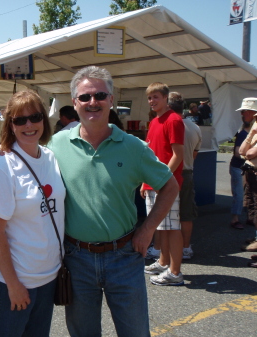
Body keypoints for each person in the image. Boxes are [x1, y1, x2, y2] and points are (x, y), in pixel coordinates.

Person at [47, 66, 179, 337]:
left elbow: (169, 186)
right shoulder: (55, 146)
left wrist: (148, 229)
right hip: (76, 259)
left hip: (125, 256)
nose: (92, 102)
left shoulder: (133, 147)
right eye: (84, 97)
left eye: (99, 95)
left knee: (134, 332)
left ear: (110, 100)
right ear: (74, 103)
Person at [0, 91, 65, 336]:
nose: (29, 125)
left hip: (48, 276)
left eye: (35, 117)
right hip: (17, 280)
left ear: (43, 120)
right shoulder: (4, 166)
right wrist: (13, 284)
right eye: (20, 120)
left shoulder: (50, 157)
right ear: (10, 125)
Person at [141, 82, 185, 286]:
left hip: (167, 184)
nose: (152, 101)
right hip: (154, 183)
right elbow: (150, 155)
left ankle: (175, 272)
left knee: (172, 227)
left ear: (166, 98)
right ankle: (163, 261)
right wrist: (145, 181)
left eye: (155, 97)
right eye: (150, 98)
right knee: (161, 226)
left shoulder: (174, 120)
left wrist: (162, 180)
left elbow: (178, 155)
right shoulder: (154, 121)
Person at [168, 92, 202, 260]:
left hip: (168, 174)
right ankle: (186, 248)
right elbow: (195, 153)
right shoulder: (195, 127)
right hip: (187, 173)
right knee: (186, 214)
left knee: (165, 214)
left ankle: (164, 250)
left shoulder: (166, 124)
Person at [237, 98, 257, 268]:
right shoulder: (253, 128)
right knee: (253, 211)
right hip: (251, 173)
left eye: (246, 110)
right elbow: (243, 151)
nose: (243, 114)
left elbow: (250, 152)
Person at [230, 102, 255, 229]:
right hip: (238, 167)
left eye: (244, 111)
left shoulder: (249, 133)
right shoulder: (243, 134)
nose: (242, 114)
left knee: (249, 194)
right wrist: (249, 157)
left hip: (245, 168)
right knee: (239, 194)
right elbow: (237, 153)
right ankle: (235, 219)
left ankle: (251, 218)